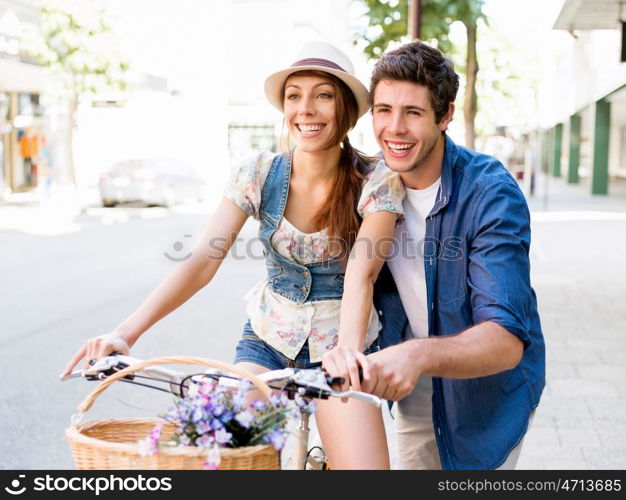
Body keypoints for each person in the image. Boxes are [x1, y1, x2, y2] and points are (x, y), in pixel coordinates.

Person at [61, 41, 405, 469]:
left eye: (323, 95)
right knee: (224, 455)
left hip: (342, 345)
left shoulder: (376, 180)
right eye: (294, 96)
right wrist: (126, 333)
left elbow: (362, 274)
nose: (306, 109)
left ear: (346, 110)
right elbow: (203, 259)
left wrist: (348, 352)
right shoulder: (258, 172)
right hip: (269, 343)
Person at [323, 41, 545, 470]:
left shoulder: (490, 193)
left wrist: (416, 354)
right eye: (383, 110)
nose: (394, 128)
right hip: (414, 384)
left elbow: (505, 340)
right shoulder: (372, 186)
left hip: (485, 392)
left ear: (445, 117)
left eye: (413, 112)